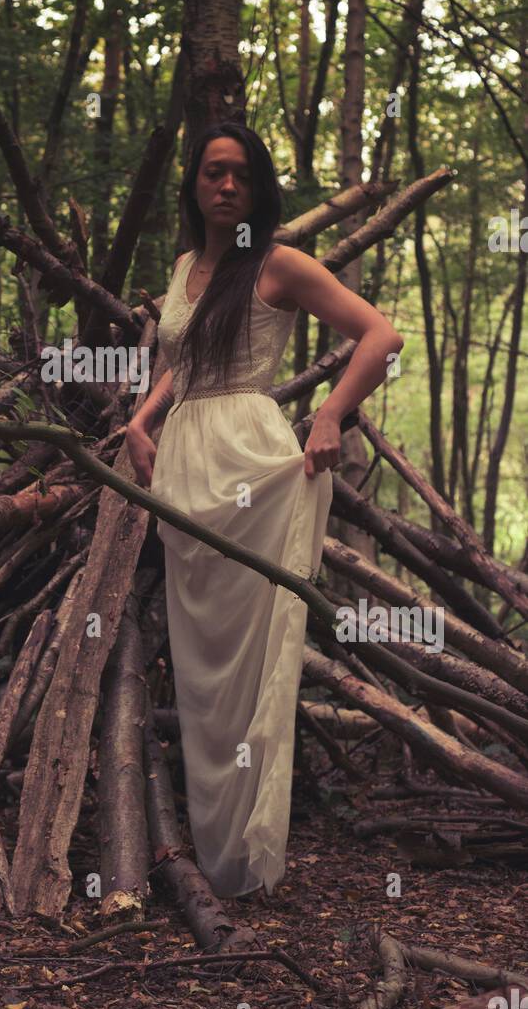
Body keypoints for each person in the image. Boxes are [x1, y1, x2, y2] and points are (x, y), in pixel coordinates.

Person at [125, 122, 404, 898]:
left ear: (258, 190)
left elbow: (380, 336)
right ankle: (211, 846)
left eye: (239, 177)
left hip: (250, 461)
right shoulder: (184, 266)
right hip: (185, 464)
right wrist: (141, 421)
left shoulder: (276, 263)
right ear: (193, 185)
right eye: (212, 173)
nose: (224, 187)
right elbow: (180, 367)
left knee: (254, 658)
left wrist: (328, 415)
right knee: (200, 659)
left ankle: (246, 852)